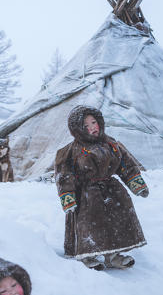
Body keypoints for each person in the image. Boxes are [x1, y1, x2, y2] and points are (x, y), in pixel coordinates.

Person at [55, 105, 149, 270]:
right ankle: (88, 255)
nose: (92, 127)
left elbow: (125, 165)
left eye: (94, 122)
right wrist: (67, 197)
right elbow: (64, 175)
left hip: (112, 189)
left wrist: (137, 184)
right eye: (86, 126)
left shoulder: (111, 144)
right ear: (78, 129)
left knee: (117, 220)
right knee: (90, 223)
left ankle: (113, 255)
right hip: (86, 193)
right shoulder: (72, 150)